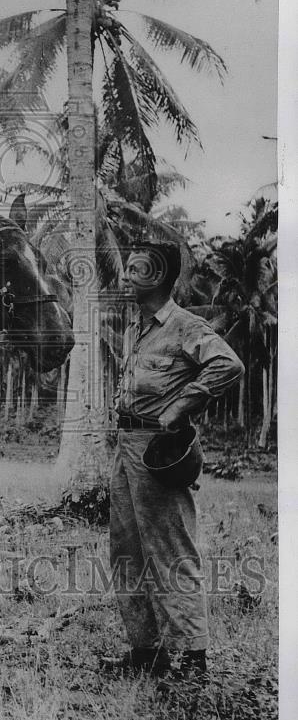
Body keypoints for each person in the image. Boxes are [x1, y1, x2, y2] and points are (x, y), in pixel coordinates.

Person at [101, 241, 244, 679]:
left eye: (134, 269)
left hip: (158, 450)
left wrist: (179, 407)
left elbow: (228, 364)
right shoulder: (135, 326)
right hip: (126, 447)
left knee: (170, 549)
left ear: (159, 276)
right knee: (126, 551)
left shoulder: (184, 325)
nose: (125, 276)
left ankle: (189, 656)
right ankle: (147, 652)